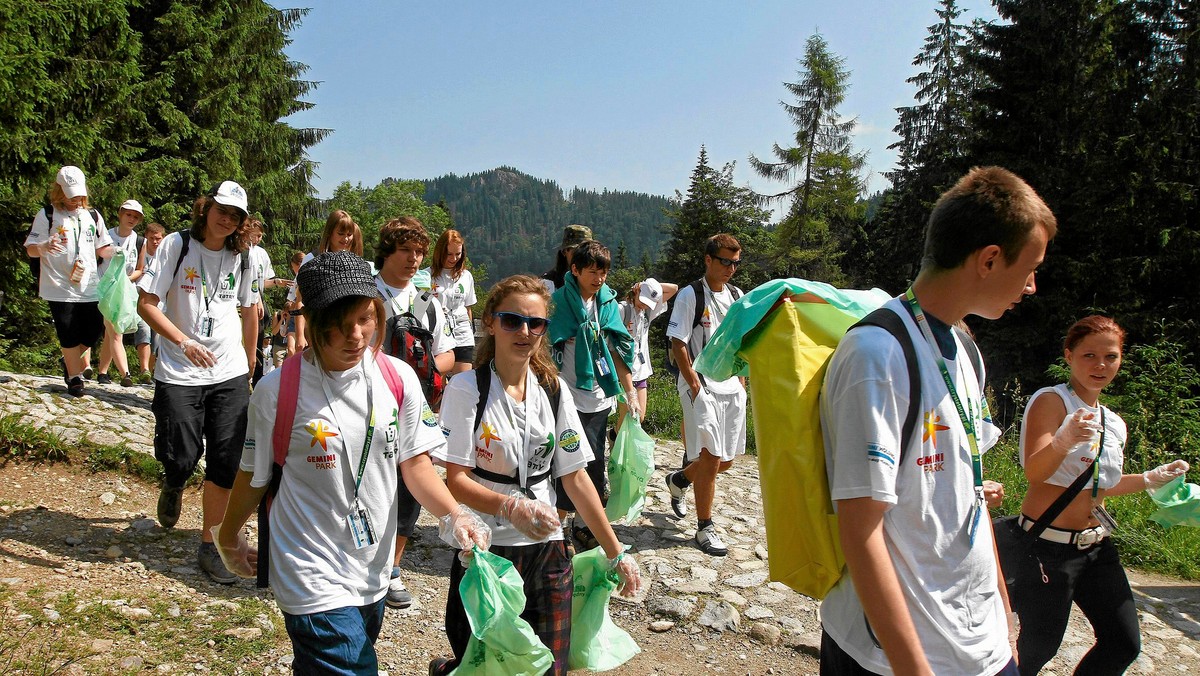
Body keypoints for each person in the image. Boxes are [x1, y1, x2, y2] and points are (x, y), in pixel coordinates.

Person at [818, 166, 1056, 675]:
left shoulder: (965, 347)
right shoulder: (875, 355)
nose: (1033, 285)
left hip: (980, 645)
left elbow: (965, 490)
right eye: (1031, 266)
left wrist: (1003, 613)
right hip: (896, 657)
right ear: (990, 260)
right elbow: (860, 532)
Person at [213, 250, 491, 676]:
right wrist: (229, 538)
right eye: (340, 326)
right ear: (315, 322)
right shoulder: (277, 391)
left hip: (372, 567)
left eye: (366, 319)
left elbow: (415, 465)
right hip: (308, 566)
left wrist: (456, 514)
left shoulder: (397, 380)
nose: (356, 336)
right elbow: (253, 473)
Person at [428, 274, 642, 676]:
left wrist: (616, 553)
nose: (524, 332)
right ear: (490, 322)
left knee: (549, 668)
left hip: (549, 550)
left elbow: (577, 478)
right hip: (487, 553)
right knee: (487, 667)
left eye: (536, 323)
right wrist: (509, 507)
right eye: (512, 321)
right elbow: (454, 479)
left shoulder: (554, 390)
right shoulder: (466, 389)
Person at [1012, 315, 1189, 674]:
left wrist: (1152, 478)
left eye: (1110, 356)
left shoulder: (1113, 420)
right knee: (1037, 649)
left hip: (1097, 547)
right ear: (1069, 356)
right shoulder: (1052, 401)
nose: (1101, 365)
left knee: (1123, 642)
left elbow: (1101, 485)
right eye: (1089, 355)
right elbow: (1035, 471)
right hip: (1048, 548)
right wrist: (1064, 440)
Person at [136, 181, 259, 584]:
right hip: (178, 369)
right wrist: (183, 342)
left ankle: (211, 545)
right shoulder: (177, 245)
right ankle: (173, 481)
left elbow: (249, 311)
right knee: (181, 454)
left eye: (236, 215)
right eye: (221, 209)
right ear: (206, 208)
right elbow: (147, 304)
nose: (227, 219)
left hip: (228, 371)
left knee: (226, 460)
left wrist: (250, 360)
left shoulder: (245, 258)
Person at [374, 216, 456, 610]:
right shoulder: (365, 293)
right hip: (369, 406)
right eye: (405, 250)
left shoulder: (430, 303)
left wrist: (424, 369)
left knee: (410, 491)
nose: (414, 259)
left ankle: (392, 568)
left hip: (416, 409)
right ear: (387, 250)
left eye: (420, 252)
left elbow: (451, 353)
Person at [547, 240, 637, 551]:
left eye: (604, 272)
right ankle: (556, 528)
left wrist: (629, 392)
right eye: (592, 272)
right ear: (574, 270)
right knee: (566, 461)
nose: (599, 279)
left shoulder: (608, 303)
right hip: (566, 393)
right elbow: (545, 343)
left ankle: (584, 525)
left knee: (595, 461)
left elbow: (617, 349)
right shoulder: (559, 302)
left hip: (599, 396)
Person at [664, 234, 747, 556]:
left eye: (735, 262)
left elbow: (740, 341)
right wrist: (694, 385)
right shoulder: (690, 295)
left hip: (731, 386)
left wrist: (741, 378)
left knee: (725, 461)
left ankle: (679, 480)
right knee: (710, 457)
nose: (730, 268)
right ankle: (705, 527)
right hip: (700, 384)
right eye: (725, 261)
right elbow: (678, 342)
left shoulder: (738, 296)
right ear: (709, 260)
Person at [24, 166, 114, 397]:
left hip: (89, 285)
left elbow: (102, 247)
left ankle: (70, 360)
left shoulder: (92, 216)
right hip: (58, 285)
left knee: (93, 330)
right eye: (71, 195)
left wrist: (116, 252)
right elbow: (31, 250)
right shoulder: (47, 214)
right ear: (60, 191)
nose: (76, 200)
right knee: (67, 330)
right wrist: (43, 247)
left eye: (79, 195)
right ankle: (75, 377)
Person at [293, 210, 363, 353]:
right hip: (319, 329)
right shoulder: (312, 259)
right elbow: (300, 300)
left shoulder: (353, 260)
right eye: (341, 234)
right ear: (329, 233)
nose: (346, 239)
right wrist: (300, 335)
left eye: (349, 234)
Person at [616, 277, 678, 431]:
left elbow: (674, 288)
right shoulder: (621, 309)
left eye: (648, 302)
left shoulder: (648, 312)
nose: (644, 304)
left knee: (640, 416)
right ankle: (618, 445)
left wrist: (652, 287)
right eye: (642, 299)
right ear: (636, 291)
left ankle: (613, 435)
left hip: (641, 370)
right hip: (624, 371)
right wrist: (642, 285)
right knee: (627, 416)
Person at [97, 199, 147, 387]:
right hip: (106, 289)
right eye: (128, 214)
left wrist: (127, 279)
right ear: (120, 214)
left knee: (111, 333)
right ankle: (125, 373)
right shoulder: (106, 236)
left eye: (136, 217)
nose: (131, 219)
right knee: (116, 331)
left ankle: (102, 372)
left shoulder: (140, 241)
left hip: (126, 291)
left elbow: (140, 269)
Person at [426, 229, 478, 375]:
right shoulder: (426, 275)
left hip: (462, 333)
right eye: (449, 254)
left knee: (462, 382)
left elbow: (468, 308)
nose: (454, 258)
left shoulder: (466, 276)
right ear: (440, 252)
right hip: (438, 335)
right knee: (438, 386)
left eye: (458, 254)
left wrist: (469, 329)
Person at [139, 222, 167, 377]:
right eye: (152, 239)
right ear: (146, 238)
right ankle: (144, 369)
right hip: (141, 300)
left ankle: (150, 372)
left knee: (157, 340)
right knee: (143, 333)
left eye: (158, 239)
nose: (155, 242)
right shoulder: (141, 253)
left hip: (160, 304)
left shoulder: (166, 256)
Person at [540, 224, 591, 294]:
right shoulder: (548, 284)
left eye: (585, 252)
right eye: (576, 252)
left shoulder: (595, 281)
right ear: (564, 252)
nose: (581, 256)